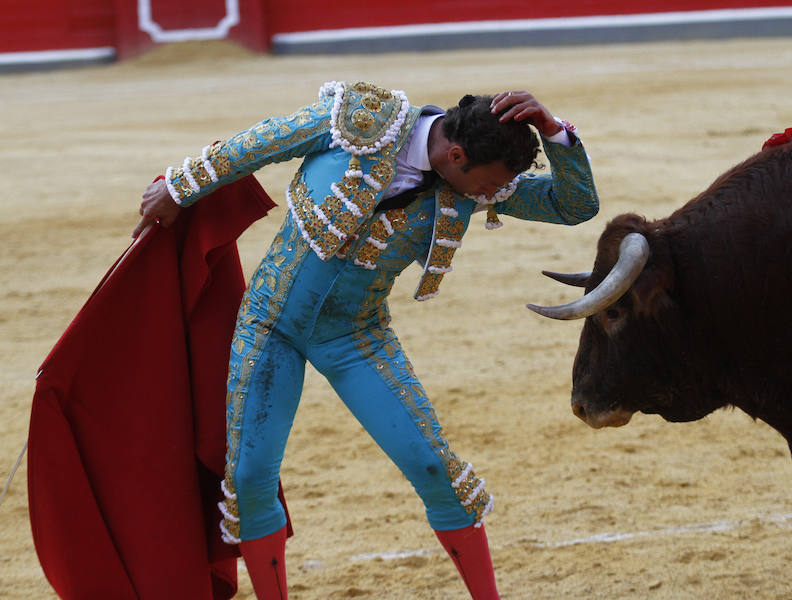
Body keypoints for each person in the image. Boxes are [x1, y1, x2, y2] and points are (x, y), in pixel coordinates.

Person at [135, 81, 598, 599]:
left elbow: (573, 205)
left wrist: (556, 132)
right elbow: (259, 144)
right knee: (249, 477)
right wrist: (178, 187)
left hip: (355, 336)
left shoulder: (477, 177)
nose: (491, 196)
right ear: (455, 153)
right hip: (270, 325)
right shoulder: (358, 120)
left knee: (433, 467)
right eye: (486, 186)